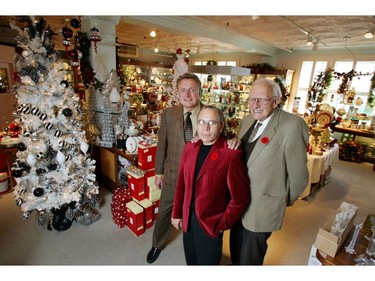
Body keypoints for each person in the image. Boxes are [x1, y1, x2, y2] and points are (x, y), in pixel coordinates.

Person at [228, 78, 309, 265]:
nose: (255, 105)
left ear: (276, 100)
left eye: (262, 100)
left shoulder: (292, 125)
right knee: (236, 248)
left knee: (250, 258)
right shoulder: (248, 119)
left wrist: (280, 199)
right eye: (252, 99)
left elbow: (299, 176)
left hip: (262, 207)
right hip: (239, 201)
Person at [171, 105, 250, 265]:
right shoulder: (190, 148)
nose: (205, 127)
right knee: (191, 262)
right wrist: (176, 213)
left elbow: (240, 199)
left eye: (212, 123)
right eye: (201, 122)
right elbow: (181, 183)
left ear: (221, 126)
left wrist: (222, 224)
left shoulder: (230, 154)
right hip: (188, 220)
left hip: (210, 224)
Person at [146, 73, 203, 264]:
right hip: (172, 175)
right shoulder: (168, 114)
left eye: (192, 89)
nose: (187, 94)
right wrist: (158, 172)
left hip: (199, 177)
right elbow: (162, 145)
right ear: (177, 93)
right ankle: (157, 244)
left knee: (197, 214)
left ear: (199, 91)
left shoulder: (210, 113)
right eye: (183, 90)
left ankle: (196, 247)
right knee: (164, 212)